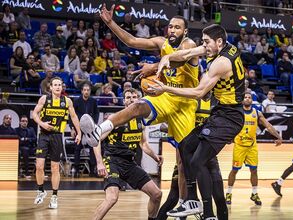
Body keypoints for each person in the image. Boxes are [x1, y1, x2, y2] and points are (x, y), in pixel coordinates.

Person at [80, 4, 199, 206]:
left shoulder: (189, 45)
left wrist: (154, 65)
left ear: (185, 31)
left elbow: (178, 61)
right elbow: (132, 40)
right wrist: (110, 23)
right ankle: (98, 132)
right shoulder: (162, 43)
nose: (172, 30)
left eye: (177, 27)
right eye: (170, 27)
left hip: (184, 104)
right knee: (136, 106)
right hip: (165, 95)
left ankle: (183, 204)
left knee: (182, 162)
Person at [150, 24, 245, 220]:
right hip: (220, 113)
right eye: (204, 41)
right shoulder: (221, 46)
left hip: (230, 117)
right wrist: (166, 57)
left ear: (218, 42)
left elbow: (198, 93)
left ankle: (205, 210)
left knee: (198, 160)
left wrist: (165, 89)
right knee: (185, 145)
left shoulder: (221, 62)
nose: (204, 46)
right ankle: (192, 200)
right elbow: (189, 53)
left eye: (207, 42)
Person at [93, 88, 163, 220]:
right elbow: (95, 140)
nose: (131, 100)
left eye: (134, 97)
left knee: (157, 194)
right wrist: (99, 163)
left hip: (130, 163)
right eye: (128, 97)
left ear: (139, 100)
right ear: (124, 100)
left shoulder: (140, 120)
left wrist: (155, 156)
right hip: (112, 161)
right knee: (112, 198)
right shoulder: (114, 119)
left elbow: (143, 144)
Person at [32, 77, 81, 209]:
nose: (58, 87)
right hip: (44, 135)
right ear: (51, 87)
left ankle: (54, 196)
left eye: (60, 85)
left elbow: (74, 117)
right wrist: (42, 123)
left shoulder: (67, 101)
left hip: (57, 136)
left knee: (55, 167)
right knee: (39, 166)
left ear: (62, 87)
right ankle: (41, 191)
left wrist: (79, 132)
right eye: (55, 85)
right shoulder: (44, 99)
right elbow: (34, 114)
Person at [226, 93, 282, 206]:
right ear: (242, 100)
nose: (247, 99)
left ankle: (254, 193)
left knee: (254, 170)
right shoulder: (237, 112)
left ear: (252, 100)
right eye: (245, 97)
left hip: (252, 146)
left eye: (249, 97)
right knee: (235, 170)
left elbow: (268, 126)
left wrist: (278, 136)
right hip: (239, 146)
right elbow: (229, 125)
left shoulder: (257, 113)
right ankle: (228, 193)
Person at [72, 83, 99, 177]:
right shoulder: (76, 101)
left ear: (90, 91)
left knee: (93, 147)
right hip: (78, 127)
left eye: (88, 90)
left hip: (90, 128)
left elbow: (96, 113)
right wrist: (72, 128)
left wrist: (94, 125)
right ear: (82, 91)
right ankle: (76, 169)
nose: (86, 91)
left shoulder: (93, 101)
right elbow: (72, 115)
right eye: (85, 90)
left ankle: (92, 170)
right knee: (77, 148)